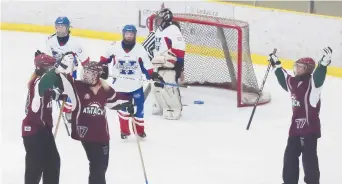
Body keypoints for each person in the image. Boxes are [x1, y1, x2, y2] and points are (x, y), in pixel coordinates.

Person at [38, 60, 135, 184]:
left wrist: (125, 105)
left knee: (102, 166)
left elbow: (112, 103)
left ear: (97, 75)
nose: (85, 75)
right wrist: (59, 70)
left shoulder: (106, 89)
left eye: (89, 73)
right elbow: (60, 78)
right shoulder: (76, 86)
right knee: (97, 166)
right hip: (86, 133)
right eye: (85, 72)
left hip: (102, 134)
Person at [268, 47, 332, 184]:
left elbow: (319, 76)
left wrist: (323, 64)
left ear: (308, 69)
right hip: (295, 129)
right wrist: (276, 65)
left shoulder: (313, 84)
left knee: (309, 161)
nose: (296, 69)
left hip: (309, 129)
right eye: (295, 66)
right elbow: (283, 78)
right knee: (290, 158)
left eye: (300, 67)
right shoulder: (293, 82)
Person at [99, 24, 154, 139]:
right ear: (123, 34)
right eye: (127, 34)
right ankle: (124, 131)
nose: (128, 36)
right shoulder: (114, 47)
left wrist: (152, 75)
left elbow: (147, 67)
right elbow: (104, 60)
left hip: (136, 86)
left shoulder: (140, 49)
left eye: (131, 34)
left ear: (134, 35)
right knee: (123, 110)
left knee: (139, 110)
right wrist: (103, 67)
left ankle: (139, 131)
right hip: (119, 86)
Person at [37, 16, 90, 118]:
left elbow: (85, 61)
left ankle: (68, 109)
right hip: (54, 71)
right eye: (58, 26)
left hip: (69, 73)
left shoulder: (75, 44)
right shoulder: (50, 41)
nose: (60, 29)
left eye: (63, 27)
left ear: (68, 28)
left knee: (71, 93)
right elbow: (46, 57)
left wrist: (88, 73)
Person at [22, 53, 61, 184]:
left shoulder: (45, 84)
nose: (52, 70)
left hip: (43, 130)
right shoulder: (39, 82)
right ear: (41, 68)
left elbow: (55, 91)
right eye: (49, 67)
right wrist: (60, 68)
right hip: (33, 131)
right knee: (35, 168)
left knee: (52, 164)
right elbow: (45, 84)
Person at [143, 8, 186, 120]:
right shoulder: (159, 31)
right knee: (156, 86)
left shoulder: (173, 29)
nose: (157, 21)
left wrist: (180, 66)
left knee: (168, 87)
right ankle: (160, 106)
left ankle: (174, 109)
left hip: (168, 64)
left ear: (166, 18)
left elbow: (180, 49)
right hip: (158, 63)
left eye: (160, 19)